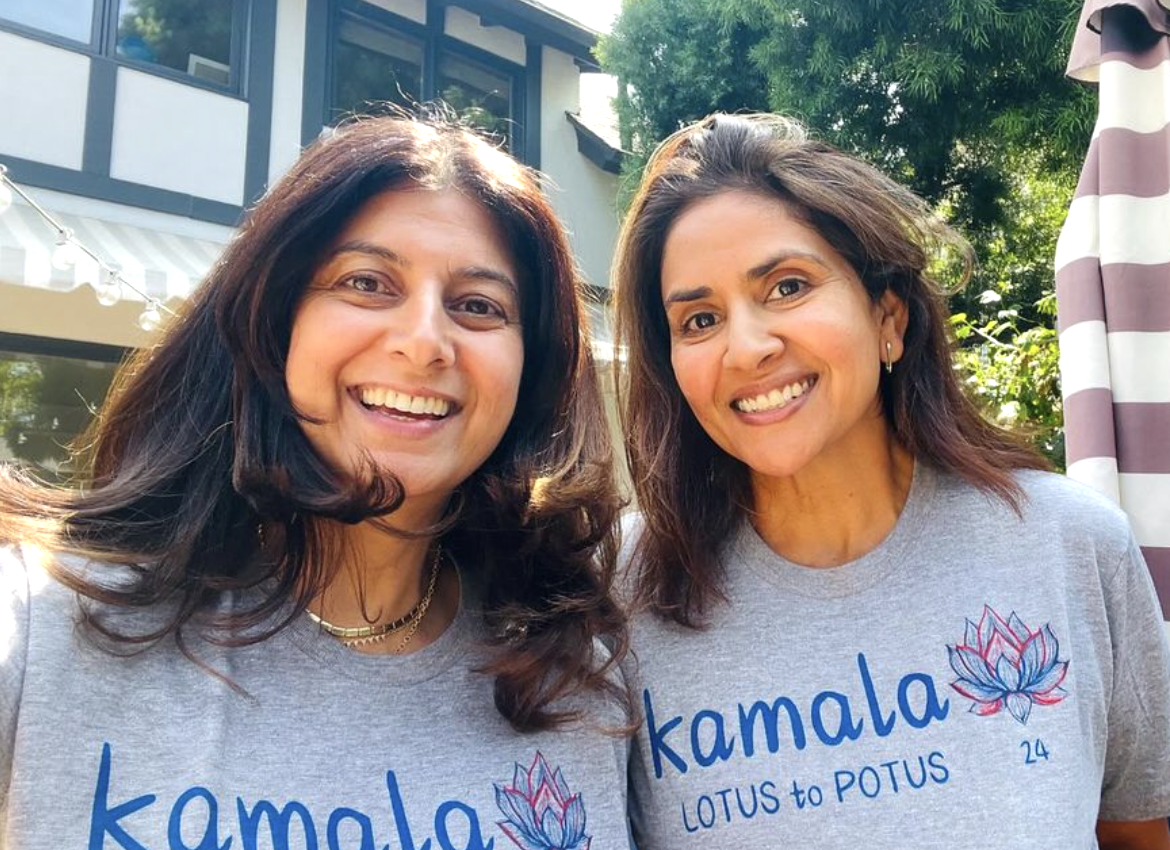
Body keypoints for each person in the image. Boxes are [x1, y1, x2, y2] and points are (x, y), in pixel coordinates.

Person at [0, 115, 630, 850]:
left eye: (479, 306)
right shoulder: (45, 618)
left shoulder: (579, 670)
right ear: (274, 322)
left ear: (531, 372)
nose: (425, 342)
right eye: (366, 283)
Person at [612, 113, 1170, 849]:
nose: (746, 347)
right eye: (700, 319)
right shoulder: (619, 600)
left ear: (889, 320)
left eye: (786, 286)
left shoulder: (1070, 549)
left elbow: (1137, 830)